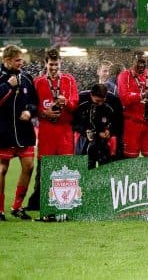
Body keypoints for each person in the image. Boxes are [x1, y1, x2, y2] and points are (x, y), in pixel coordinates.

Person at [27, 48, 79, 210]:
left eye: (56, 64)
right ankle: (38, 202)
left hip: (64, 131)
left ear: (60, 63)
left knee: (66, 167)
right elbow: (32, 106)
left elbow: (75, 103)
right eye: (51, 64)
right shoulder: (38, 82)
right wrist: (44, 112)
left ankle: (68, 202)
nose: (54, 68)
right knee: (43, 168)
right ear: (45, 63)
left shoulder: (69, 80)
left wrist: (66, 103)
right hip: (47, 129)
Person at [0, 45, 37, 220]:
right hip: (4, 132)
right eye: (17, 60)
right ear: (6, 60)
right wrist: (7, 85)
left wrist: (30, 111)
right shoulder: (1, 78)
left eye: (21, 59)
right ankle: (0, 209)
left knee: (29, 166)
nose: (20, 63)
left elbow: (34, 101)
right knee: (2, 170)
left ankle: (17, 206)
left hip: (24, 132)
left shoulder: (27, 78)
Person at [117, 50, 148, 158]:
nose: (141, 65)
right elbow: (124, 98)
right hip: (132, 123)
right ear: (132, 61)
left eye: (144, 62)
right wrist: (141, 95)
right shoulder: (124, 76)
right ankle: (130, 175)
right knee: (130, 157)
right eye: (138, 62)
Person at [72, 83, 123, 169]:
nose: (100, 104)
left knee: (106, 164)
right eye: (97, 101)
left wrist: (110, 130)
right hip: (85, 136)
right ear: (91, 95)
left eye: (103, 101)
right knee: (84, 164)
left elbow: (119, 121)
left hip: (104, 139)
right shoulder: (81, 99)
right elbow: (74, 121)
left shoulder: (113, 100)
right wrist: (85, 130)